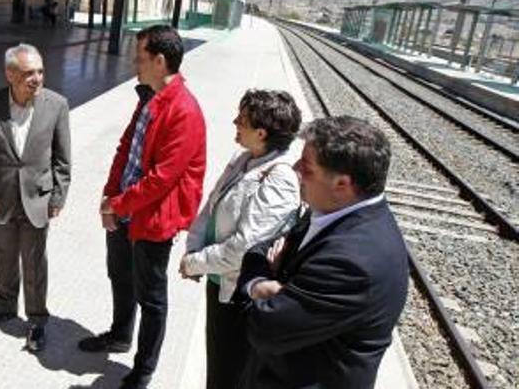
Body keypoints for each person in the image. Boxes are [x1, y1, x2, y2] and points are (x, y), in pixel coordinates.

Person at [233, 116, 408, 389]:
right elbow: (259, 251)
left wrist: (258, 287)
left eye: (308, 168)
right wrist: (263, 286)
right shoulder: (332, 210)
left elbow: (264, 328)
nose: (295, 169)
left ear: (342, 184)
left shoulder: (353, 262)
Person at [78, 25, 207, 389]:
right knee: (120, 276)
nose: (134, 63)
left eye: (140, 57)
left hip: (153, 217)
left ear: (160, 61)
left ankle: (144, 369)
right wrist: (109, 196)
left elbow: (162, 179)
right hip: (125, 208)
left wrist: (117, 204)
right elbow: (126, 149)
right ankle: (120, 335)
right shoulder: (149, 96)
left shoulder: (183, 109)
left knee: (151, 297)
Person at [180, 89, 302, 389]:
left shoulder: (280, 178)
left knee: (230, 374)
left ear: (261, 132)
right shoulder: (244, 159)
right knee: (218, 368)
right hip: (219, 282)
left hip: (240, 297)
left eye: (242, 119)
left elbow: (244, 248)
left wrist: (195, 263)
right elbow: (211, 207)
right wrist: (194, 250)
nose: (235, 122)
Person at [0, 43, 71, 352]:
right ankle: (5, 306)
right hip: (0, 199)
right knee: (3, 256)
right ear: (10, 74)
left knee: (35, 263)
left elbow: (63, 160)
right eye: (28, 73)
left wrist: (58, 198)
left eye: (40, 71)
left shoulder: (57, 105)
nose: (36, 78)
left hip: (38, 199)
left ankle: (37, 320)